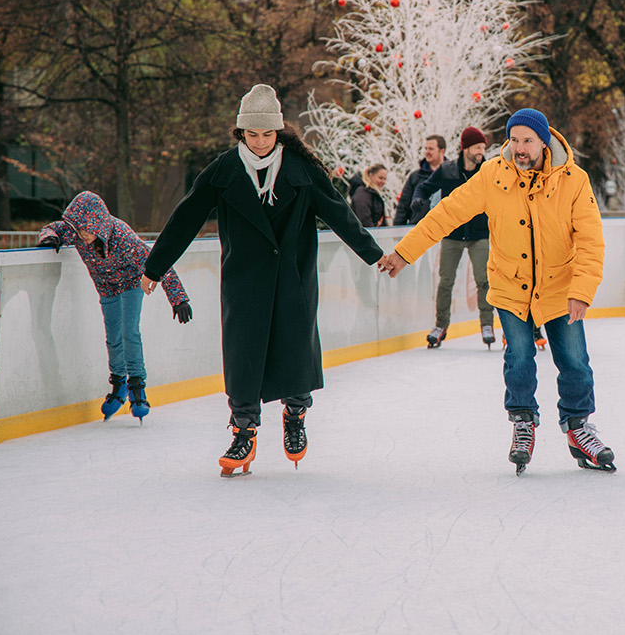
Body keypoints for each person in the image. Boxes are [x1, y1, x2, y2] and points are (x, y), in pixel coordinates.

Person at [141, 84, 385, 476]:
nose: (259, 142)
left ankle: (295, 416)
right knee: (243, 355)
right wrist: (155, 267)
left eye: (266, 134)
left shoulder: (301, 169)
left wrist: (375, 255)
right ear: (241, 133)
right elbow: (186, 217)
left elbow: (339, 214)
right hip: (244, 281)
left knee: (295, 348)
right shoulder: (223, 170)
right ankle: (243, 431)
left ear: (279, 132)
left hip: (292, 278)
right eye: (251, 134)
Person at [377, 108, 615, 475]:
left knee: (575, 361)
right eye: (514, 140)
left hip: (559, 287)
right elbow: (446, 214)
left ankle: (578, 426)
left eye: (528, 141)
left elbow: (590, 241)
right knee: (518, 358)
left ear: (543, 141)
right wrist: (404, 253)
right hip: (510, 287)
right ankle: (523, 422)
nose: (520, 148)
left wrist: (581, 291)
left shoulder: (573, 179)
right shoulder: (493, 175)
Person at [38, 191, 192, 422]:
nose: (83, 236)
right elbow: (54, 228)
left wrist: (178, 297)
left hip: (132, 282)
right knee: (113, 336)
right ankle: (118, 384)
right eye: (79, 230)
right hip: (106, 286)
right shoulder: (78, 232)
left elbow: (156, 259)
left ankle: (137, 387)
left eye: (87, 231)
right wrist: (49, 239)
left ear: (99, 224)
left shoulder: (121, 235)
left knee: (129, 332)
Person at [411, 126, 495, 348]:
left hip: (479, 234)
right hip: (452, 233)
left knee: (483, 279)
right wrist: (418, 201)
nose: (481, 152)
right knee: (445, 281)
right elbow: (423, 188)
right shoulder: (447, 170)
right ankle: (441, 325)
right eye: (477, 147)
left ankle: (487, 324)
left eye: (483, 148)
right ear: (465, 148)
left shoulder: (487, 170)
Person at [394, 135, 446, 225]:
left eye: (431, 149)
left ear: (442, 151)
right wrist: (396, 231)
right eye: (425, 149)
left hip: (445, 229)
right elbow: (403, 206)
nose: (427, 152)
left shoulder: (452, 174)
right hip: (418, 228)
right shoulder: (415, 176)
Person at [351, 163, 389, 227]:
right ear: (371, 176)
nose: (383, 182)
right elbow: (364, 218)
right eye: (380, 178)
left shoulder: (372, 193)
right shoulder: (363, 193)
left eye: (384, 179)